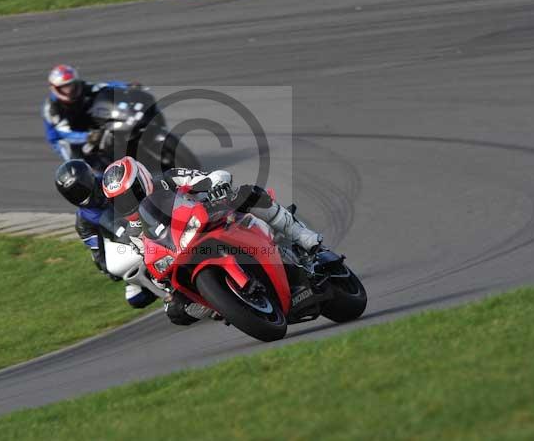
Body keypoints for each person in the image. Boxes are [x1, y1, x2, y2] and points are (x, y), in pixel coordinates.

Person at [101, 156, 324, 325]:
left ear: (142, 180)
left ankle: (304, 239)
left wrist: (215, 185)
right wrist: (164, 284)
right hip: (183, 251)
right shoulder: (132, 232)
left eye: (131, 194)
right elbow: (149, 259)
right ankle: (225, 304)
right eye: (120, 201)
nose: (128, 203)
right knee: (175, 310)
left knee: (249, 194)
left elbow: (214, 175)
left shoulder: (170, 179)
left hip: (214, 218)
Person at [54, 160, 157, 308]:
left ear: (89, 178)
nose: (80, 194)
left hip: (150, 220)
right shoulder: (83, 220)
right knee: (136, 298)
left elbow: (145, 181)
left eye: (81, 187)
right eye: (73, 193)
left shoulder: (111, 180)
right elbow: (96, 249)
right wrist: (106, 269)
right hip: (128, 243)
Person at [42, 64, 137, 162]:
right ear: (55, 88)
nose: (70, 90)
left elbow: (104, 86)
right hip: (65, 137)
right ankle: (92, 175)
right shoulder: (52, 107)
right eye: (64, 87)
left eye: (71, 85)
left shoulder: (82, 87)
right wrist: (88, 137)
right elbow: (64, 133)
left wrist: (126, 86)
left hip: (83, 122)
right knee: (77, 160)